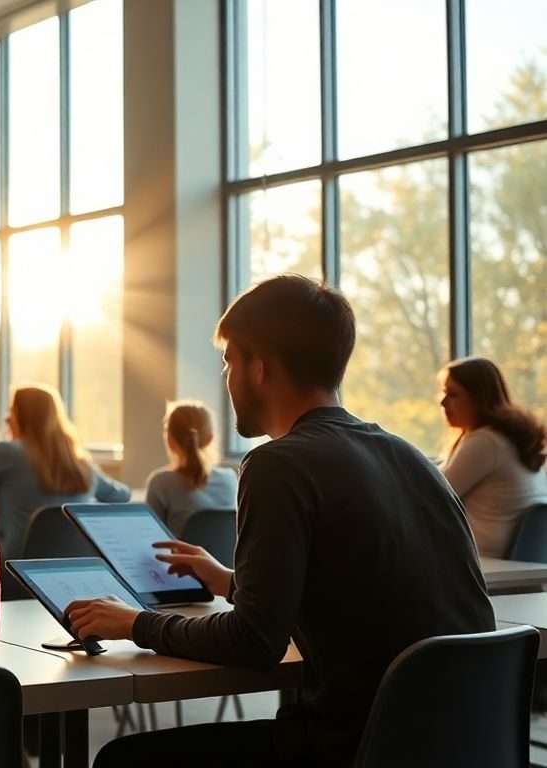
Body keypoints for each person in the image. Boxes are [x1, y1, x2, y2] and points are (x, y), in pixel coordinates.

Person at [66, 275, 494, 768]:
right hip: (458, 745)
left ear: (259, 365)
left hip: (354, 748)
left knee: (122, 759)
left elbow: (255, 642)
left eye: (229, 362)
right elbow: (353, 590)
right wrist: (229, 581)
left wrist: (136, 623)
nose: (227, 379)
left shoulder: (278, 463)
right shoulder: (409, 455)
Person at [0, 384, 130, 561]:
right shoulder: (80, 463)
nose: (7, 419)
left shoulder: (10, 452)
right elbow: (122, 495)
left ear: (25, 417)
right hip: (73, 567)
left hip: (17, 569)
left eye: (12, 411)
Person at [437, 357, 547, 558]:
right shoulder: (511, 439)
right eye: (444, 393)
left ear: (478, 398)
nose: (443, 402)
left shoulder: (487, 442)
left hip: (484, 560)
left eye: (453, 394)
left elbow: (431, 491)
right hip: (523, 567)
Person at [143, 400, 239, 535]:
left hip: (177, 557)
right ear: (211, 438)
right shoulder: (230, 479)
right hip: (221, 557)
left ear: (169, 440)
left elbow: (149, 536)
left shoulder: (160, 483)